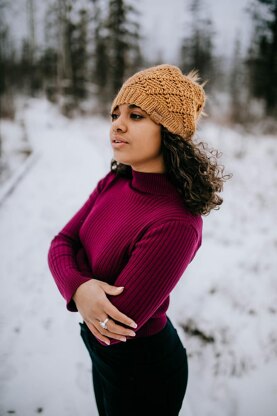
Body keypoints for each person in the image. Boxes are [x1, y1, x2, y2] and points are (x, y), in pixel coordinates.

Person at [48, 64, 229, 416]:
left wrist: (74, 274)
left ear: (170, 131)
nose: (117, 124)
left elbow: (114, 325)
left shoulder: (176, 222)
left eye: (136, 115)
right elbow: (60, 241)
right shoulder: (115, 181)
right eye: (116, 113)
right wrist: (82, 288)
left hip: (144, 373)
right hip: (102, 358)